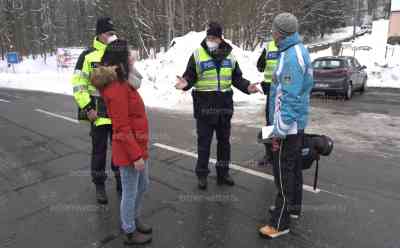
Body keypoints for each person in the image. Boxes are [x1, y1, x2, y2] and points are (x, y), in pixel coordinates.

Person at [175, 22, 261, 190]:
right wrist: (185, 83)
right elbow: (190, 76)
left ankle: (223, 173)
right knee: (204, 143)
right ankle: (202, 174)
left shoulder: (230, 56)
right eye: (208, 37)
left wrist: (247, 87)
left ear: (221, 39)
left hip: (224, 107)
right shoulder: (198, 54)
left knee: (224, 143)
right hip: (204, 107)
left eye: (213, 38)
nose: (210, 40)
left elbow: (236, 78)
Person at [91, 39, 152, 245]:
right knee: (130, 190)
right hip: (128, 151)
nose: (132, 56)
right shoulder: (116, 88)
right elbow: (121, 128)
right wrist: (135, 156)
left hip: (137, 146)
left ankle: (133, 219)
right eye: (128, 54)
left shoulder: (124, 81)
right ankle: (129, 230)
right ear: (120, 59)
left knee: (143, 185)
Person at [258, 13, 314, 238]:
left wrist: (278, 131)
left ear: (280, 32)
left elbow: (291, 98)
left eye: (273, 30)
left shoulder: (291, 57)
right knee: (292, 168)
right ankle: (290, 208)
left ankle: (280, 223)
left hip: (287, 127)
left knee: (283, 173)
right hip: (292, 123)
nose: (271, 33)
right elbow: (305, 87)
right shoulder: (297, 50)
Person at [71, 17, 121, 204]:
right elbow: (78, 84)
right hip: (97, 111)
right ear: (100, 34)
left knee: (119, 148)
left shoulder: (117, 52)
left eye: (113, 33)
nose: (112, 36)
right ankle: (99, 184)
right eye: (109, 33)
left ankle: (120, 179)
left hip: (116, 112)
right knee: (99, 150)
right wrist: (87, 107)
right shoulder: (87, 56)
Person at [256, 39, 279, 166]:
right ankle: (269, 154)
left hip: (284, 90)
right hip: (271, 90)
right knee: (269, 122)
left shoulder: (290, 48)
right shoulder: (269, 46)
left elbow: (260, 66)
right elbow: (260, 66)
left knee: (281, 122)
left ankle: (279, 154)